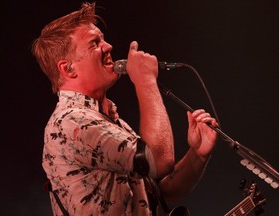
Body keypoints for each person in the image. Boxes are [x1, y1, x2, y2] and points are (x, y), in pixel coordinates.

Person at [32, 2, 218, 216]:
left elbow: (162, 192)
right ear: (68, 68)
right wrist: (146, 80)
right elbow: (159, 161)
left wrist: (198, 156)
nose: (109, 46)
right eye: (94, 43)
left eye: (103, 39)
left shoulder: (106, 120)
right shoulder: (71, 122)